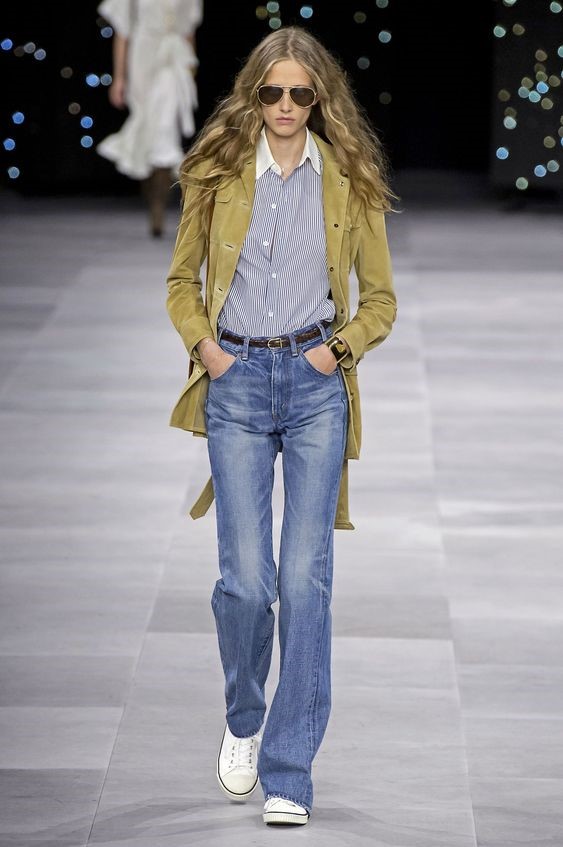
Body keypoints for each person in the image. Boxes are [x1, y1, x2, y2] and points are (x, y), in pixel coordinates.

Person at [165, 25, 398, 826]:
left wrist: (338, 350)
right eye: (272, 92)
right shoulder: (216, 172)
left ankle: (289, 769)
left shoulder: (349, 180)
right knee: (245, 582)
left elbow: (379, 300)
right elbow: (180, 281)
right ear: (253, 95)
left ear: (319, 97)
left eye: (300, 93)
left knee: (304, 582)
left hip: (312, 386)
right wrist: (206, 348)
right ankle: (243, 717)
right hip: (233, 382)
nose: (286, 106)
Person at [97, 0, 202, 236]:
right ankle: (154, 197)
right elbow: (123, 32)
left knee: (165, 129)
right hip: (143, 57)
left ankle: (160, 206)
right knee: (148, 133)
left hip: (175, 61)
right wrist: (119, 78)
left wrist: (190, 72)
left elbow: (188, 30)